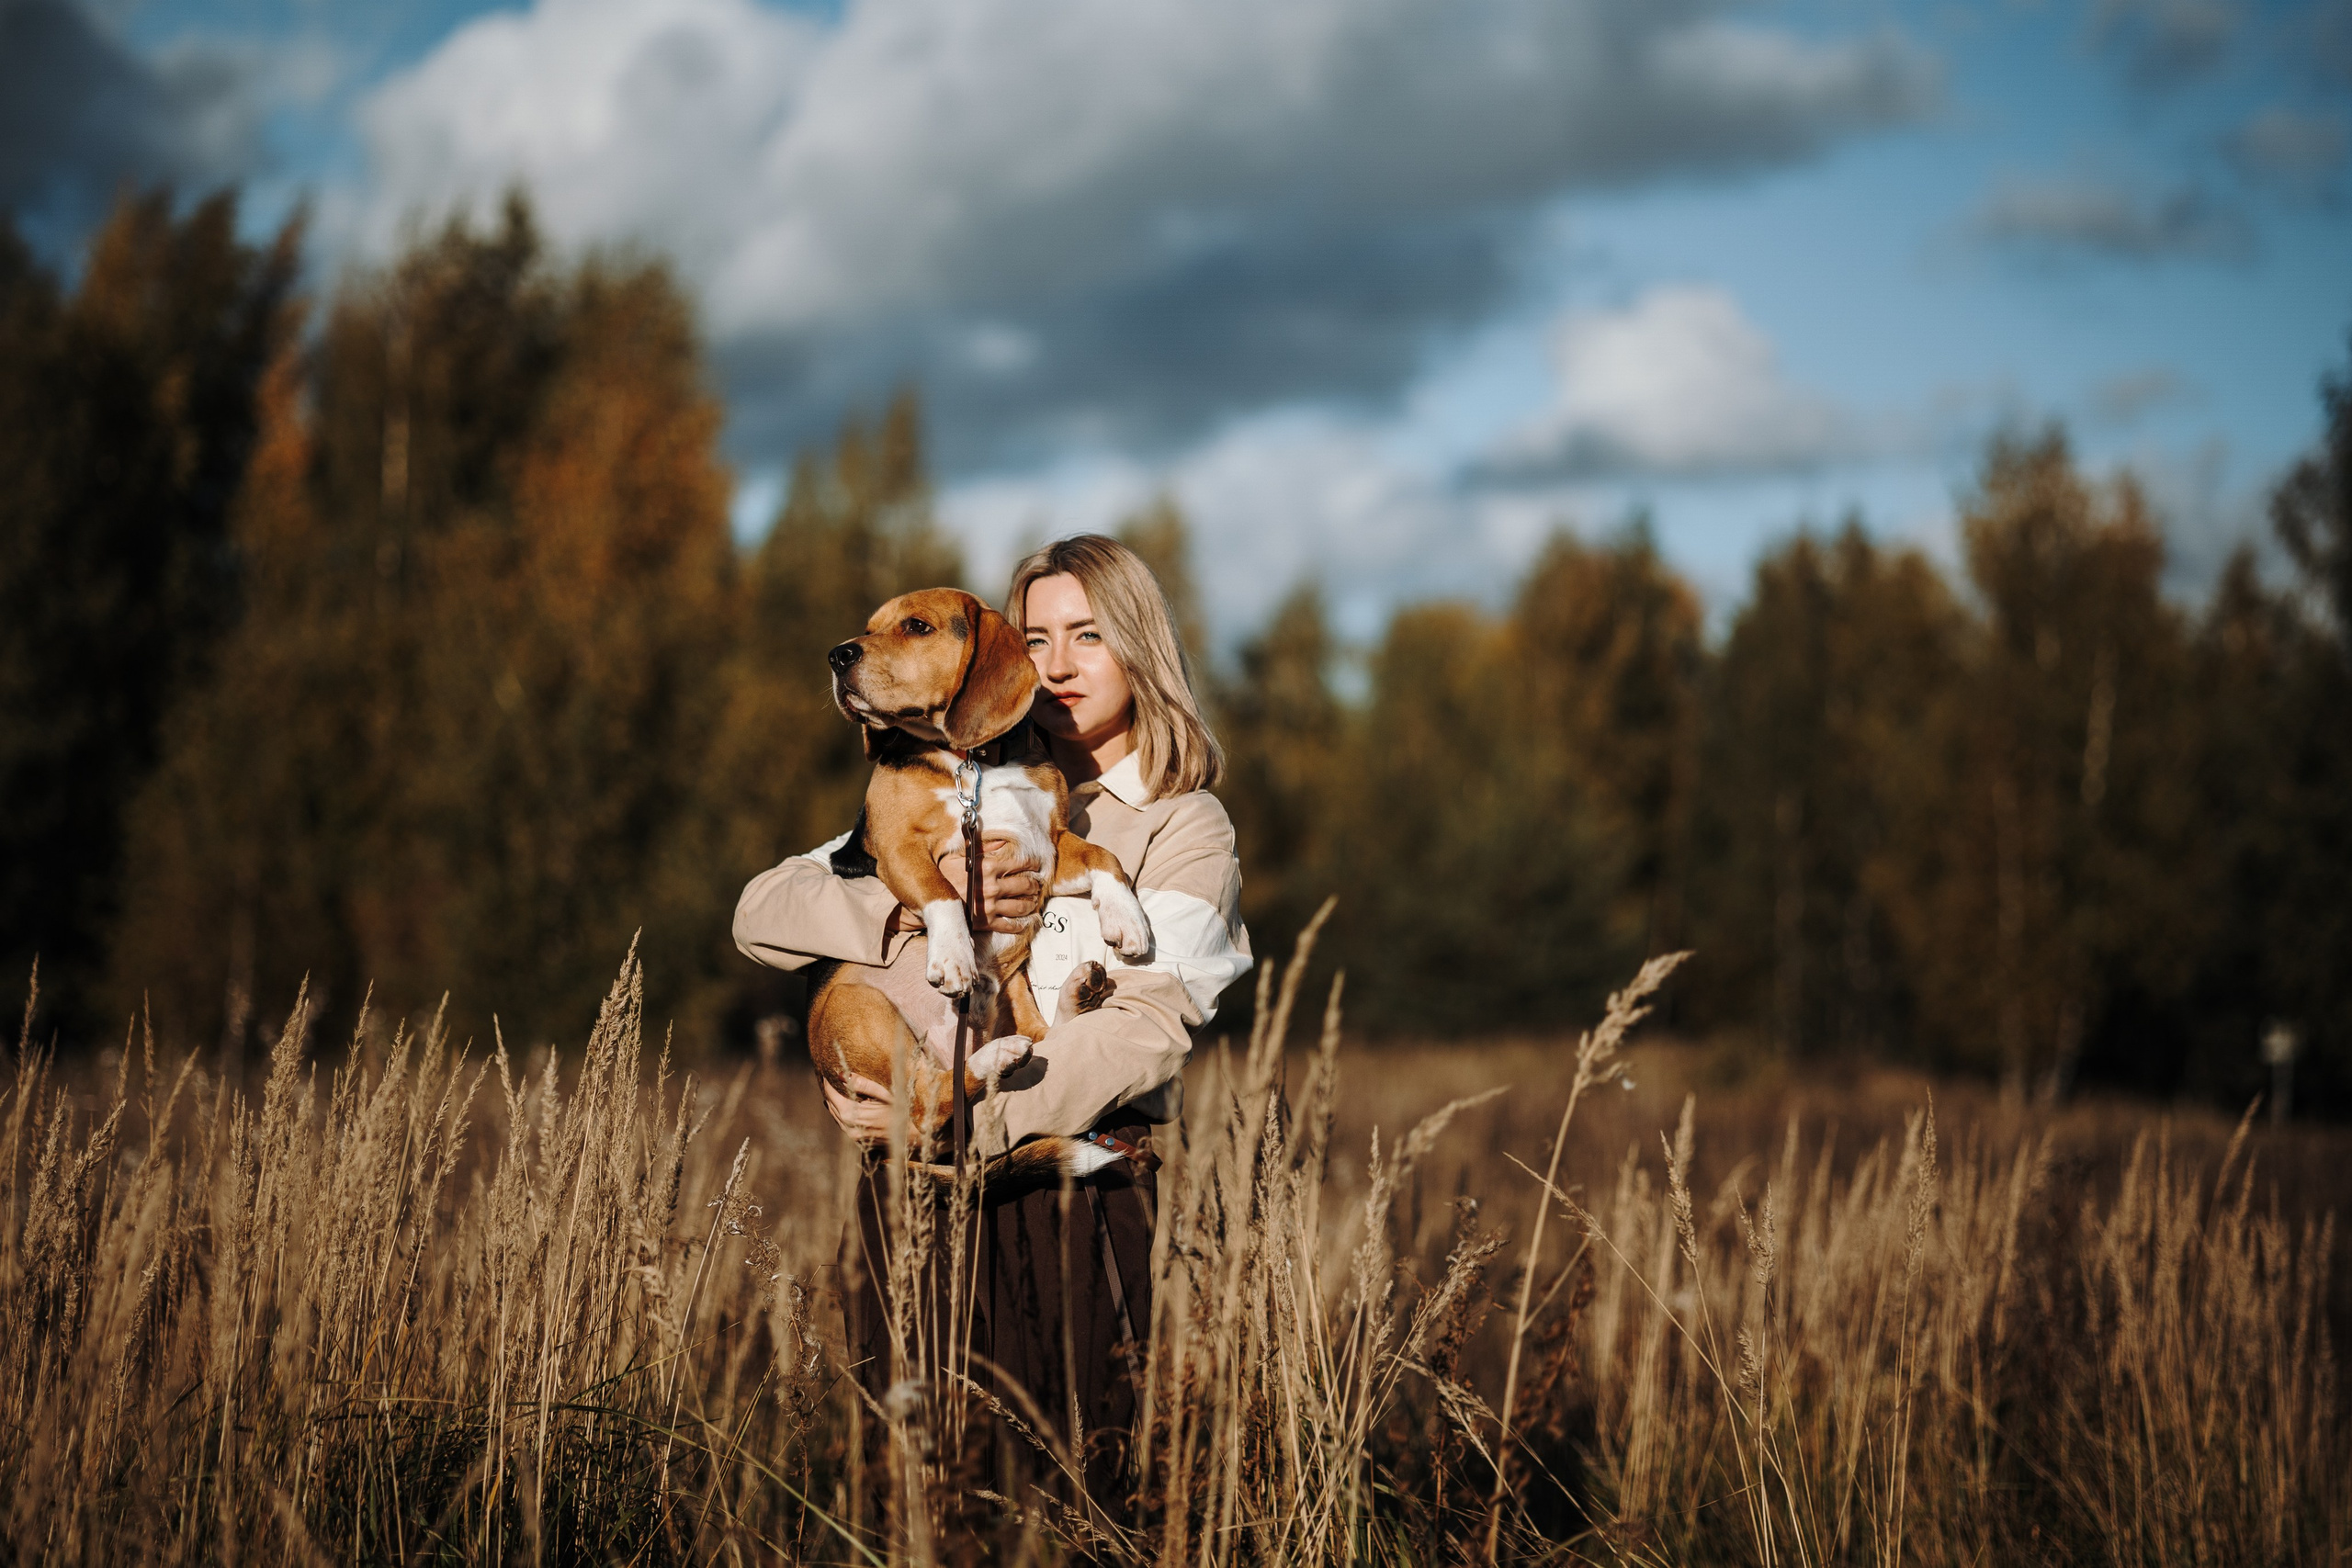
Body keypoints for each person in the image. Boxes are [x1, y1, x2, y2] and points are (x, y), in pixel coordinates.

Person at [732, 534, 1250, 1506]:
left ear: (1140, 650)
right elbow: (761, 913)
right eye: (1036, 638)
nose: (1056, 665)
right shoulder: (943, 781)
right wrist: (918, 904)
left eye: (1088, 636)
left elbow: (1148, 1028)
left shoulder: (1182, 824)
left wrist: (961, 1123)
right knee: (911, 1502)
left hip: (1074, 1198)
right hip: (911, 1194)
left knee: (1068, 1501)